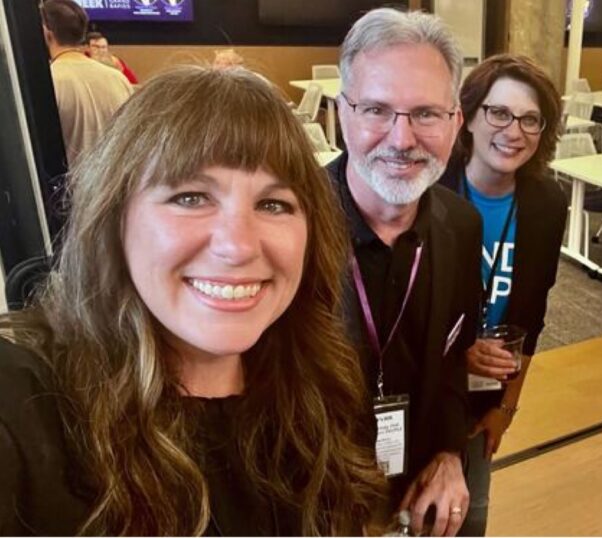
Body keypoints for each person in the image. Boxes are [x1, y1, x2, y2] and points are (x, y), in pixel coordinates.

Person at [0, 66, 387, 535]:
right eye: (190, 197)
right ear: (114, 217)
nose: (239, 245)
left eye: (273, 204)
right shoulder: (26, 406)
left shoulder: (318, 389)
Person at [325, 8, 480, 537]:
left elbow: (455, 356)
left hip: (416, 492)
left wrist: (449, 452)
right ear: (341, 114)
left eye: (426, 114)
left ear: (456, 122)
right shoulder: (285, 227)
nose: (401, 138)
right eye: (376, 110)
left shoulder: (462, 224)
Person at [436, 54, 566, 536]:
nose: (514, 131)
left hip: (485, 394)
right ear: (468, 117)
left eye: (531, 119)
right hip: (425, 388)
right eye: (499, 113)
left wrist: (506, 408)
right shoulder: (431, 191)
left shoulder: (546, 204)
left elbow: (533, 316)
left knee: (470, 519)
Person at [41, 0, 132, 167]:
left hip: (71, 189)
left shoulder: (49, 81)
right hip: (115, 186)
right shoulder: (118, 78)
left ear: (47, 33)